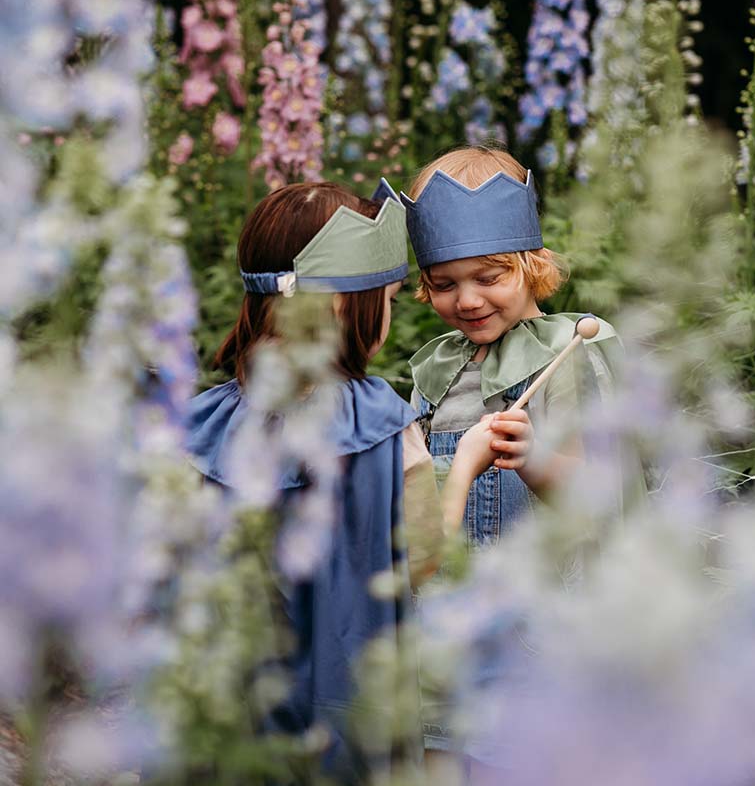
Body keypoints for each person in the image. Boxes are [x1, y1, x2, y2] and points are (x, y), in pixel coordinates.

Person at [185, 180, 531, 783]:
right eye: (389, 299)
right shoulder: (381, 426)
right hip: (343, 709)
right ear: (345, 306)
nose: (390, 316)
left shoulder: (206, 424)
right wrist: (468, 462)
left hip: (229, 702)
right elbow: (419, 562)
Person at [402, 145, 622, 545]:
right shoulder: (438, 369)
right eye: (444, 284)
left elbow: (598, 497)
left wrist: (533, 460)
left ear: (531, 265)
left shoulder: (566, 355)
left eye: (488, 279)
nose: (467, 300)